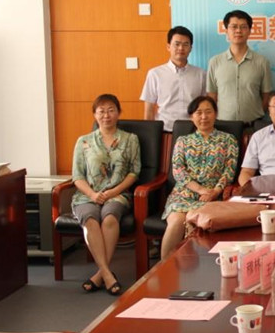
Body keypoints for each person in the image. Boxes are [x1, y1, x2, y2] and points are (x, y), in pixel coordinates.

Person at [71, 94, 140, 295]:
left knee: (110, 217)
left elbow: (134, 172)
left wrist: (113, 191)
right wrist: (93, 195)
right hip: (87, 195)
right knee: (90, 220)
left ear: (118, 113)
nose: (106, 115)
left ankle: (100, 275)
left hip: (117, 194)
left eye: (111, 110)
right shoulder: (83, 141)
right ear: (94, 114)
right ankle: (107, 274)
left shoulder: (130, 139)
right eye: (101, 111)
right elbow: (77, 176)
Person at [160, 96, 239, 258]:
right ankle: (164, 267)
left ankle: (194, 269)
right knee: (176, 222)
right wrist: (200, 189)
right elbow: (178, 170)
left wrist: (214, 192)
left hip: (212, 197)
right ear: (191, 116)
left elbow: (229, 171)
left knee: (195, 223)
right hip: (183, 195)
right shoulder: (183, 141)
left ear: (215, 114)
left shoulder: (228, 140)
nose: (204, 117)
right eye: (199, 113)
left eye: (208, 112)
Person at [207, 9, 272, 125]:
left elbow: (266, 95)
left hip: (254, 124)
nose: (238, 31)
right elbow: (212, 96)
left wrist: (256, 115)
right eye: (234, 27)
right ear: (226, 31)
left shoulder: (262, 62)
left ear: (249, 31)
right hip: (223, 125)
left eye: (243, 27)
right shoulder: (215, 62)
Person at [140, 26, 206, 132]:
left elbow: (205, 106)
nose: (181, 48)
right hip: (165, 131)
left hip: (193, 131)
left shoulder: (201, 74)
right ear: (168, 46)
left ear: (191, 48)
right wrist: (149, 133)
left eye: (185, 44)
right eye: (177, 44)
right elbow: (149, 110)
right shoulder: (155, 74)